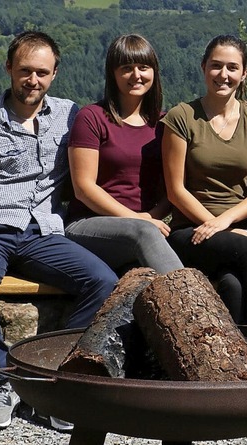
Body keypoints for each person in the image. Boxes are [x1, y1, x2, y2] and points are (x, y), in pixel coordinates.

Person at [0, 31, 118, 430]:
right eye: (24, 71)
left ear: (54, 73)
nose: (32, 80)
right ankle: (6, 381)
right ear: (9, 69)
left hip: (43, 232)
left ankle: (52, 379)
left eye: (42, 72)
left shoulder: (70, 115)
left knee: (104, 282)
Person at [161, 34, 247, 326]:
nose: (223, 75)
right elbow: (175, 190)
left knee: (232, 287)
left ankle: (239, 361)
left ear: (244, 73)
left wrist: (227, 223)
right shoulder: (182, 117)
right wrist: (213, 225)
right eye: (216, 66)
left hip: (238, 229)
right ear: (203, 68)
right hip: (191, 230)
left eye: (232, 68)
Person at [65, 34, 183, 275]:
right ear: (113, 73)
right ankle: (192, 306)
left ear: (154, 72)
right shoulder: (92, 118)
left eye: (143, 67)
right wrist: (137, 220)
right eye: (127, 68)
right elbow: (83, 188)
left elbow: (170, 190)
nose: (136, 75)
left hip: (145, 228)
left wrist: (150, 216)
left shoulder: (164, 123)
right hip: (88, 224)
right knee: (144, 234)